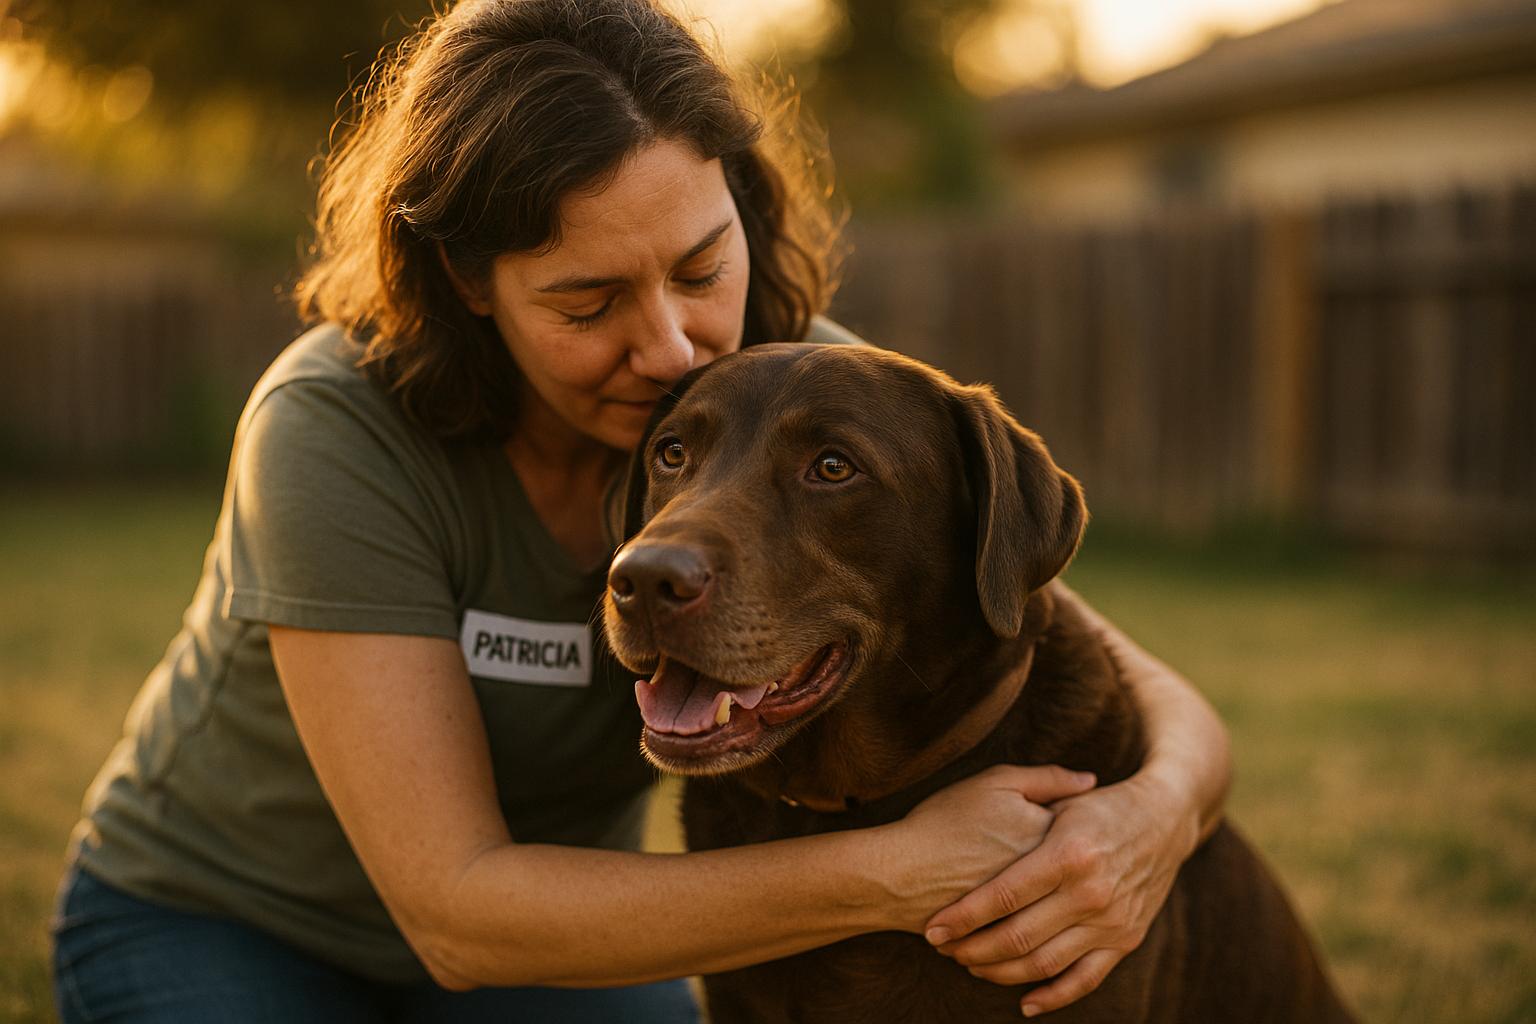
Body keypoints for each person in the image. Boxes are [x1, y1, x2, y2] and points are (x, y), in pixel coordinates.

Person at [51, 1, 1231, 1021]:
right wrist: (899, 870)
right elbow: (457, 913)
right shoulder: (332, 429)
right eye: (588, 299)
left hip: (568, 925)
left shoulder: (806, 396)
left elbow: (1072, 631)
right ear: (470, 280)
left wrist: (1153, 821)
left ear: (743, 215)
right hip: (226, 919)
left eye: (702, 267)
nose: (670, 346)